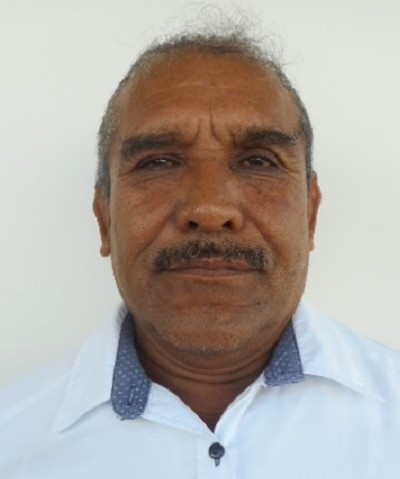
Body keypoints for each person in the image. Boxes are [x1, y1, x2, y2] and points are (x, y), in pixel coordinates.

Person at [1, 18, 399, 479]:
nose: (210, 209)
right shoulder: (13, 444)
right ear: (104, 218)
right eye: (159, 162)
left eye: (258, 161)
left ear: (310, 213)